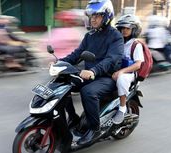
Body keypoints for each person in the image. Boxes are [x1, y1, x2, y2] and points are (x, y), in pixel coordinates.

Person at [51, 0, 124, 145]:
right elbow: (77, 54)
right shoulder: (90, 36)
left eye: (97, 15)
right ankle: (73, 118)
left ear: (107, 16)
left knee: (88, 92)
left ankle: (95, 128)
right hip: (89, 74)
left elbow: (111, 59)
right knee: (63, 84)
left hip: (107, 77)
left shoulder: (115, 36)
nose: (93, 19)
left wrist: (93, 70)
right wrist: (59, 63)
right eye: (91, 16)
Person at [112, 14, 144, 124]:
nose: (124, 31)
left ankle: (122, 107)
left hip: (129, 73)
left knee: (121, 79)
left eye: (127, 28)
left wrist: (121, 71)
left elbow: (138, 65)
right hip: (117, 70)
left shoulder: (136, 44)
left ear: (134, 30)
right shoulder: (119, 42)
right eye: (122, 28)